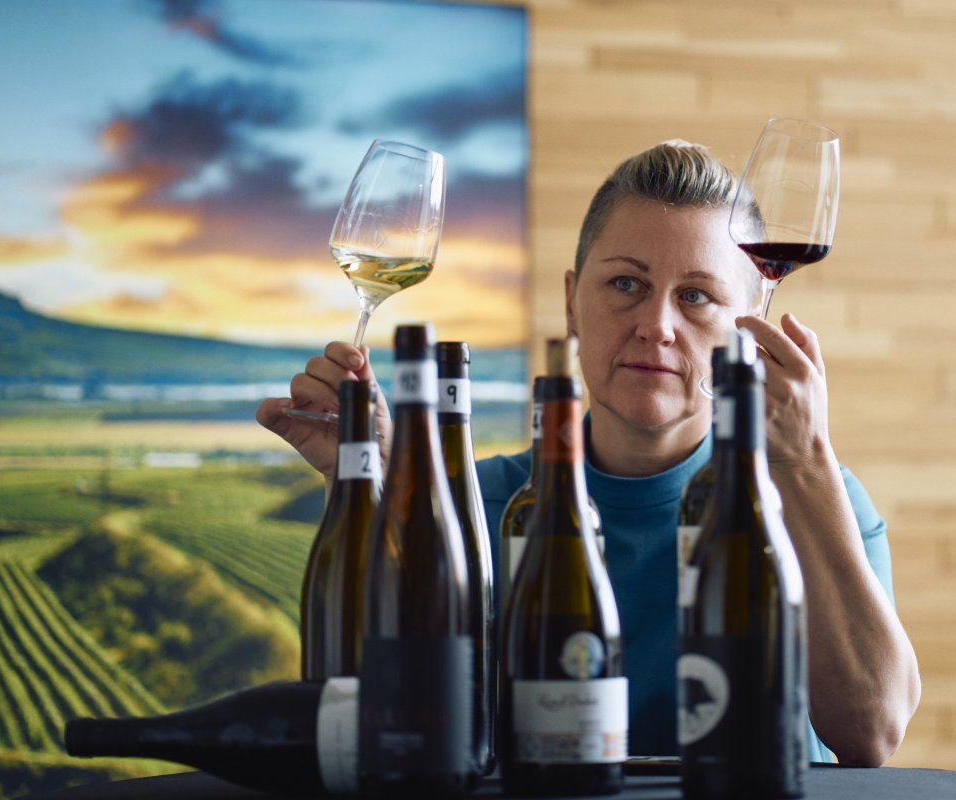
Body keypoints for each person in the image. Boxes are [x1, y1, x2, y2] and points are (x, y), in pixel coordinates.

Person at [256, 140, 921, 766]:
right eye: (626, 284)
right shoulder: (473, 508)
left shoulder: (813, 498)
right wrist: (367, 485)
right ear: (573, 303)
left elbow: (872, 730)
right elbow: (375, 717)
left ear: (746, 329)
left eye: (696, 296)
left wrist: (804, 461)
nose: (656, 326)